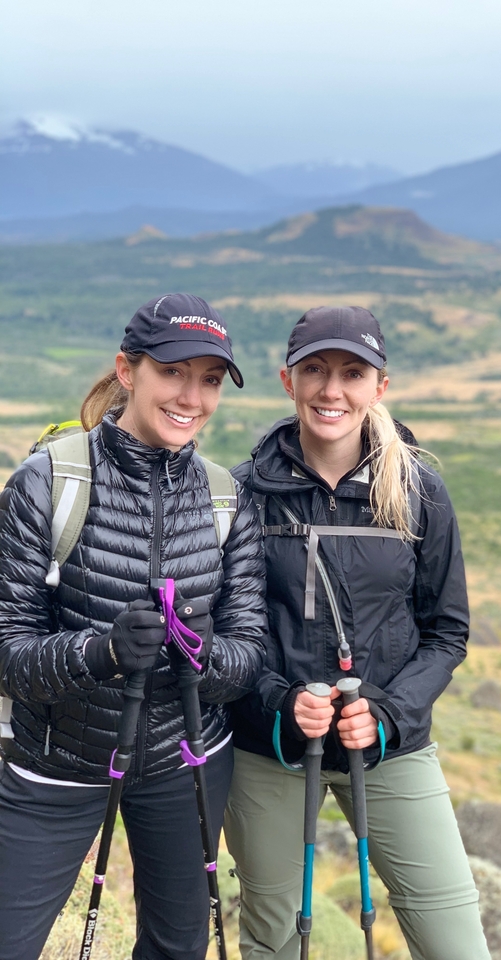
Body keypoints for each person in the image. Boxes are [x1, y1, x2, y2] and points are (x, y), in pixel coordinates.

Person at [0, 293, 267, 960]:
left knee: (178, 950)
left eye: (209, 380)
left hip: (186, 764)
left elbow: (249, 654)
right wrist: (102, 652)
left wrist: (200, 658)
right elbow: (7, 652)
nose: (192, 396)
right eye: (173, 371)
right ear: (127, 370)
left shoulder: (225, 499)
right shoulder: (46, 483)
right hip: (53, 765)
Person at [224, 306, 492, 960]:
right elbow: (228, 638)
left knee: (453, 935)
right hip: (272, 747)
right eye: (314, 370)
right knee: (276, 937)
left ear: (381, 386)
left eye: (352, 372)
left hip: (391, 747)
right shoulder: (244, 494)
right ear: (287, 381)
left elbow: (447, 632)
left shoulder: (418, 489)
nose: (331, 389)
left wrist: (389, 715)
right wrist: (283, 700)